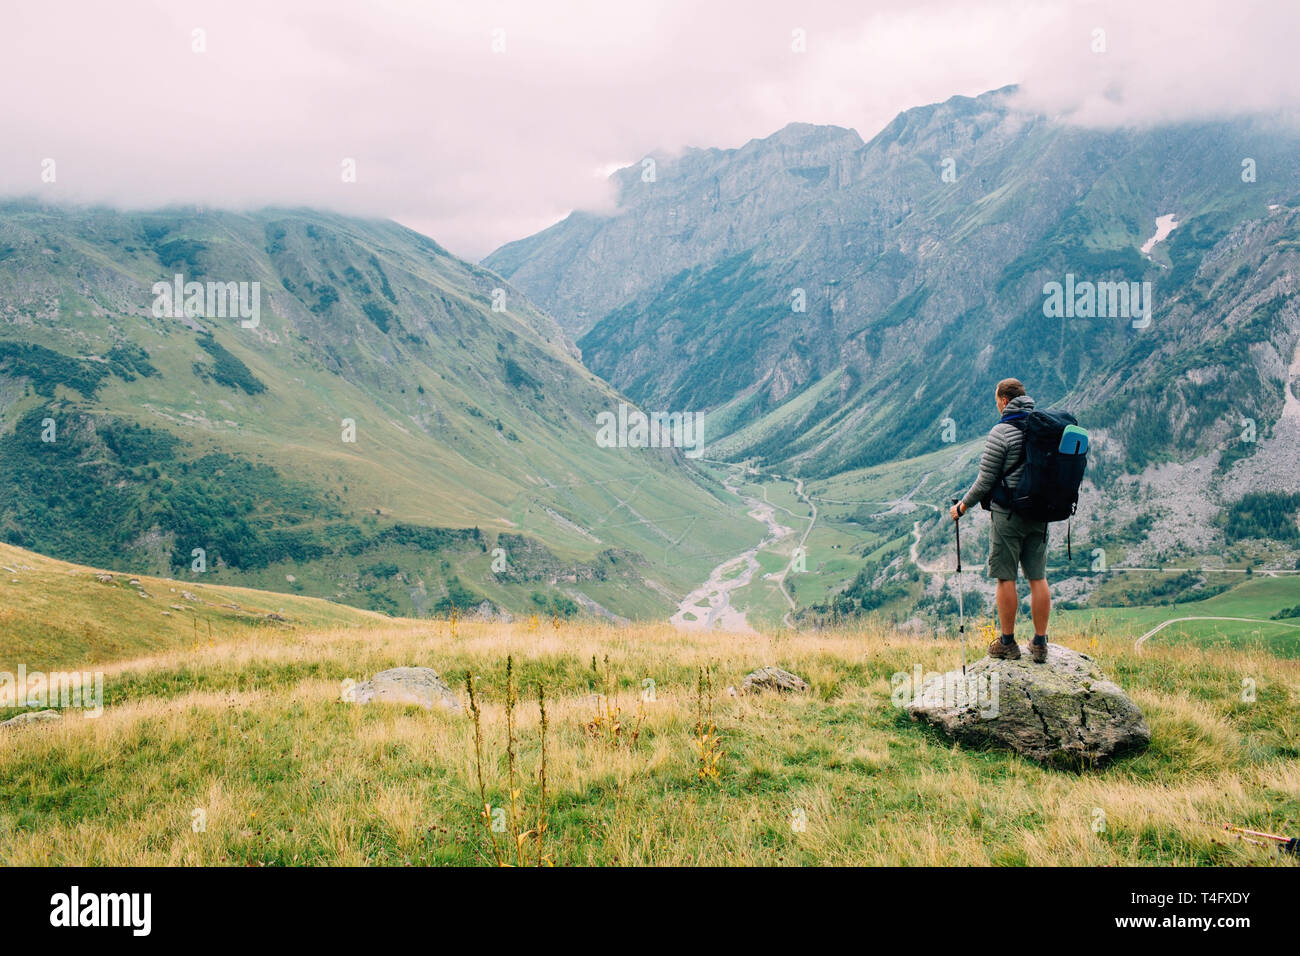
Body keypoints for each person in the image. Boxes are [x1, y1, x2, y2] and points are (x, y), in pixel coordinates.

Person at [949, 378, 1050, 663]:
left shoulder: (1001, 432)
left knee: (1006, 577)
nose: (997, 406)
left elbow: (985, 480)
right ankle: (1040, 643)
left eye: (996, 401)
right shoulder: (1042, 428)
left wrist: (962, 506)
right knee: (1037, 577)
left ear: (1004, 401)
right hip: (1041, 514)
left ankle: (1007, 642)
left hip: (1008, 515)